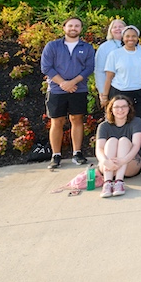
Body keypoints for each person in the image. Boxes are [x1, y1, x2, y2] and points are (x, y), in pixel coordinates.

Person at [41, 17, 96, 169]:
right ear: (64, 28)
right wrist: (63, 83)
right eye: (70, 25)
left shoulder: (87, 47)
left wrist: (72, 83)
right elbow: (46, 67)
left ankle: (77, 153)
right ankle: (56, 155)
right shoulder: (52, 46)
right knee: (56, 121)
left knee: (77, 119)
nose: (73, 28)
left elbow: (89, 68)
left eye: (77, 26)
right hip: (57, 90)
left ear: (81, 28)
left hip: (78, 89)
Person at [101, 25, 141, 157]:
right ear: (123, 38)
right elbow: (109, 77)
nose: (131, 39)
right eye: (127, 36)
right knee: (120, 122)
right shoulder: (115, 54)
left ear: (138, 38)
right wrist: (105, 96)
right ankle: (117, 153)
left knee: (140, 122)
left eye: (134, 36)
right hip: (120, 92)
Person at [94, 95, 141, 197]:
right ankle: (107, 183)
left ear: (129, 108)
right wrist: (106, 162)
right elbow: (99, 149)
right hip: (109, 167)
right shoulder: (103, 126)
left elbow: (136, 146)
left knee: (123, 140)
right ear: (111, 109)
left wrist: (123, 160)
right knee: (112, 140)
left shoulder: (136, 122)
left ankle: (119, 182)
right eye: (116, 107)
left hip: (130, 163)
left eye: (124, 106)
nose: (120, 110)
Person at [94, 19, 126, 102]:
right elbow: (99, 71)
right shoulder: (104, 47)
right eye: (114, 27)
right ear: (110, 31)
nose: (118, 29)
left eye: (120, 27)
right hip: (111, 87)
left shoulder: (134, 46)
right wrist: (102, 91)